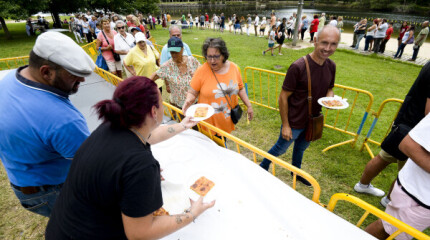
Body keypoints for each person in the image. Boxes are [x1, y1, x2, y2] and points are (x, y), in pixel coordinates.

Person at [45, 76, 215, 239]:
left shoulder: (114, 125)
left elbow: (150, 135)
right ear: (154, 111)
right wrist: (192, 214)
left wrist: (183, 125)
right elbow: (140, 233)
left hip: (63, 226)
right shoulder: (140, 165)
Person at [0, 32, 95, 217]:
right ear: (46, 72)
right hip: (52, 190)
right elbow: (94, 165)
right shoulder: (63, 119)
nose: (82, 81)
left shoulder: (12, 78)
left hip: (22, 180)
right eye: (74, 76)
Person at [259, 26, 339, 186]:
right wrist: (286, 125)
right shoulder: (298, 66)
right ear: (315, 41)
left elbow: (330, 88)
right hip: (294, 120)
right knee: (281, 149)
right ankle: (262, 167)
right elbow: (283, 97)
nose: (328, 48)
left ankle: (296, 172)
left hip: (313, 119)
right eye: (324, 43)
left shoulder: (331, 66)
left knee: (301, 149)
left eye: (333, 44)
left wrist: (330, 99)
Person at [354, 61, 430, 206]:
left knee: (384, 157)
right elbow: (429, 113)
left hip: (406, 123)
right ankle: (388, 199)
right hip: (415, 131)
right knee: (406, 170)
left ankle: (364, 186)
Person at [365, 112, 430, 240]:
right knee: (387, 229)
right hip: (418, 195)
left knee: (388, 228)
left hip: (420, 195)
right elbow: (408, 145)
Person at [182, 38, 254, 134]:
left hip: (226, 120)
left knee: (222, 142)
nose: (212, 61)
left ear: (223, 55)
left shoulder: (234, 68)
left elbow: (240, 88)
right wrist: (188, 100)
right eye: (209, 56)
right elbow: (192, 91)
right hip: (208, 122)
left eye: (216, 56)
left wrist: (248, 105)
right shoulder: (201, 71)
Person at [151, 37, 200, 110]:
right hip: (180, 107)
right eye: (171, 52)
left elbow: (202, 73)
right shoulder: (167, 66)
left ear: (182, 49)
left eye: (176, 51)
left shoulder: (192, 61)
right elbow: (153, 77)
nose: (173, 55)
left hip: (196, 103)